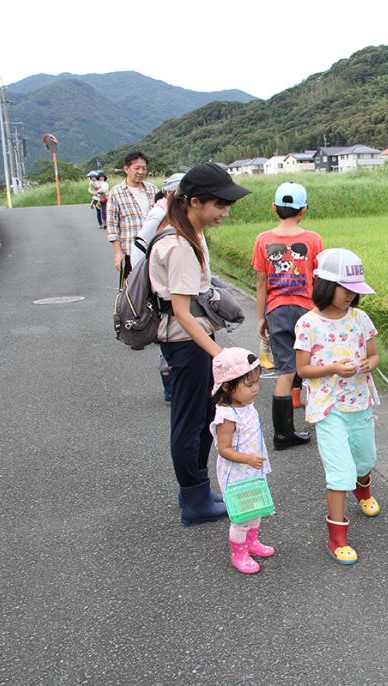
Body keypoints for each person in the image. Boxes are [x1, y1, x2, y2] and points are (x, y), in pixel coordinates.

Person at [149, 162, 251, 525]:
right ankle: (193, 501)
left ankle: (196, 490)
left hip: (193, 342)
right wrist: (219, 354)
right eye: (219, 205)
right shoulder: (179, 245)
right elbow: (182, 311)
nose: (224, 212)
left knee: (202, 416)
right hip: (187, 343)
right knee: (190, 422)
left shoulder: (189, 233)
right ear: (194, 202)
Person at [294, 248, 380, 565]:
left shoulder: (361, 319)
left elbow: (373, 356)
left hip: (359, 401)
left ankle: (364, 490)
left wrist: (365, 365)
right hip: (327, 407)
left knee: (365, 458)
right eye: (347, 289)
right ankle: (337, 536)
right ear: (326, 286)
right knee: (340, 472)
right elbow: (302, 369)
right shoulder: (307, 324)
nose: (351, 297)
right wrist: (332, 368)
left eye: (355, 291)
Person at [252, 182, 322, 450]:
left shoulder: (263, 240)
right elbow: (319, 280)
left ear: (274, 208)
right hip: (308, 310)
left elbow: (261, 283)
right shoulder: (313, 240)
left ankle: (282, 434)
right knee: (313, 364)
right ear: (303, 210)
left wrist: (261, 317)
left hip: (277, 310)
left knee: (285, 370)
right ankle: (322, 416)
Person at [209, 347, 274, 574]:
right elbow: (224, 449)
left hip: (252, 469)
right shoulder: (226, 416)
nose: (255, 389)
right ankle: (239, 552)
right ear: (227, 386)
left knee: (256, 509)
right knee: (241, 517)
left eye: (256, 383)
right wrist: (247, 458)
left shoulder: (246, 405)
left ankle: (252, 542)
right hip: (237, 474)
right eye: (249, 385)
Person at [132, 172, 185, 402]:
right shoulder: (160, 213)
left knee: (172, 338)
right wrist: (145, 282)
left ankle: (175, 389)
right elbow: (139, 246)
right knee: (169, 335)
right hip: (163, 290)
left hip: (170, 286)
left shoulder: (173, 213)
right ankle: (171, 389)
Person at [107, 151, 158, 279]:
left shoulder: (153, 190)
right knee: (132, 293)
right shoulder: (116, 192)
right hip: (130, 252)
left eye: (144, 168)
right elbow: (112, 226)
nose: (141, 172)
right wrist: (118, 253)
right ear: (126, 169)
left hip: (154, 251)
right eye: (137, 168)